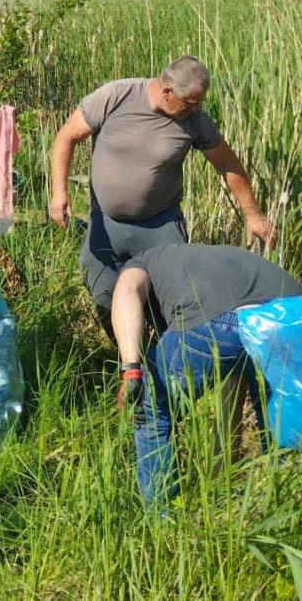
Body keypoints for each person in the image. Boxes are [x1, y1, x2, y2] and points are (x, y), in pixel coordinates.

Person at [49, 56, 276, 332]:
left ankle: (171, 365)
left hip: (160, 227)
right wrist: (59, 191)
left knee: (170, 308)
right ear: (167, 91)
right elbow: (66, 137)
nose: (195, 109)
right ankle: (132, 367)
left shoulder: (195, 122)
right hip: (106, 223)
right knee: (105, 298)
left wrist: (253, 215)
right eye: (190, 103)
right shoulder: (117, 96)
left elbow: (228, 164)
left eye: (199, 103)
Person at [111, 243, 302, 506]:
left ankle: (161, 518)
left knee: (150, 407)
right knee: (281, 416)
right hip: (291, 315)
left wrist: (131, 369)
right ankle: (285, 502)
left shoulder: (141, 263)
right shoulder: (204, 255)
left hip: (216, 318)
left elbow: (127, 291)